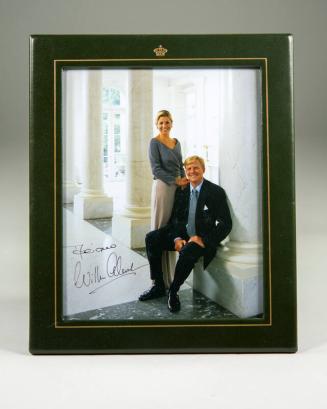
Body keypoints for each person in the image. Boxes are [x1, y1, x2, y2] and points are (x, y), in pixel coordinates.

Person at [139, 155, 232, 312]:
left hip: (201, 239)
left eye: (196, 167)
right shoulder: (182, 191)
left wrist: (204, 240)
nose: (192, 171)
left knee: (189, 251)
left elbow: (226, 223)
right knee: (152, 238)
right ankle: (158, 285)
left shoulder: (215, 192)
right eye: (188, 168)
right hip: (182, 234)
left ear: (203, 169)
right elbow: (176, 218)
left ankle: (173, 291)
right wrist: (176, 238)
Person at [148, 110, 189, 288]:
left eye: (167, 122)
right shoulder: (154, 142)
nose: (164, 126)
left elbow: (180, 165)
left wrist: (183, 181)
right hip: (163, 187)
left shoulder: (176, 142)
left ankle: (169, 275)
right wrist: (175, 180)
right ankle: (159, 279)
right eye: (161, 123)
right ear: (157, 125)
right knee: (161, 226)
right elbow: (156, 170)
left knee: (173, 227)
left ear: (172, 123)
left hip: (178, 188)